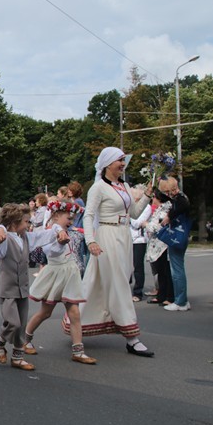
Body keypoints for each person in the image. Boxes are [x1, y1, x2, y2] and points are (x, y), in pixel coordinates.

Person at [71, 147, 154, 357]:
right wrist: (90, 240)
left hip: (124, 236)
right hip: (106, 236)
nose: (123, 164)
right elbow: (88, 216)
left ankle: (77, 322)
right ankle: (132, 337)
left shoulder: (124, 185)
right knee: (119, 284)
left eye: (123, 160)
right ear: (108, 163)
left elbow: (133, 213)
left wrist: (146, 196)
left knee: (100, 281)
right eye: (119, 160)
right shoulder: (98, 188)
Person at [0, 203, 69, 371]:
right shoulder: (4, 239)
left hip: (23, 288)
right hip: (8, 289)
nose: (29, 225)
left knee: (22, 324)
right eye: (26, 221)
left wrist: (59, 232)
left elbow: (46, 235)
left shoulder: (27, 237)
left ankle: (18, 356)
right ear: (14, 222)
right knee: (12, 322)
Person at [23, 201, 96, 365]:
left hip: (70, 273)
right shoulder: (49, 233)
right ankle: (25, 338)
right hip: (56, 274)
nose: (71, 221)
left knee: (75, 313)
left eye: (73, 218)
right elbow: (52, 251)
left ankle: (78, 350)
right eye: (68, 218)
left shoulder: (69, 232)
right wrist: (60, 243)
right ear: (55, 216)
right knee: (45, 312)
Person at [159, 177, 191, 312]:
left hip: (178, 236)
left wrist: (169, 216)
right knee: (177, 268)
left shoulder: (180, 199)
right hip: (180, 235)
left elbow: (182, 207)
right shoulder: (180, 198)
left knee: (177, 269)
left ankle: (181, 301)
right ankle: (181, 299)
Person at [144, 190, 174, 305]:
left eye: (154, 197)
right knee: (160, 271)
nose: (153, 199)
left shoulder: (164, 210)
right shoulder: (159, 210)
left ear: (159, 198)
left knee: (165, 271)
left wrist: (146, 225)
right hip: (156, 244)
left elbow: (157, 227)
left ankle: (169, 296)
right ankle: (161, 295)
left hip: (162, 244)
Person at [129, 186, 152, 302]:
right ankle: (126, 289)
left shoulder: (146, 208)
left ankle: (138, 292)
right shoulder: (130, 207)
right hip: (128, 239)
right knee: (126, 266)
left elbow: (137, 223)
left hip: (139, 240)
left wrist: (129, 216)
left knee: (138, 266)